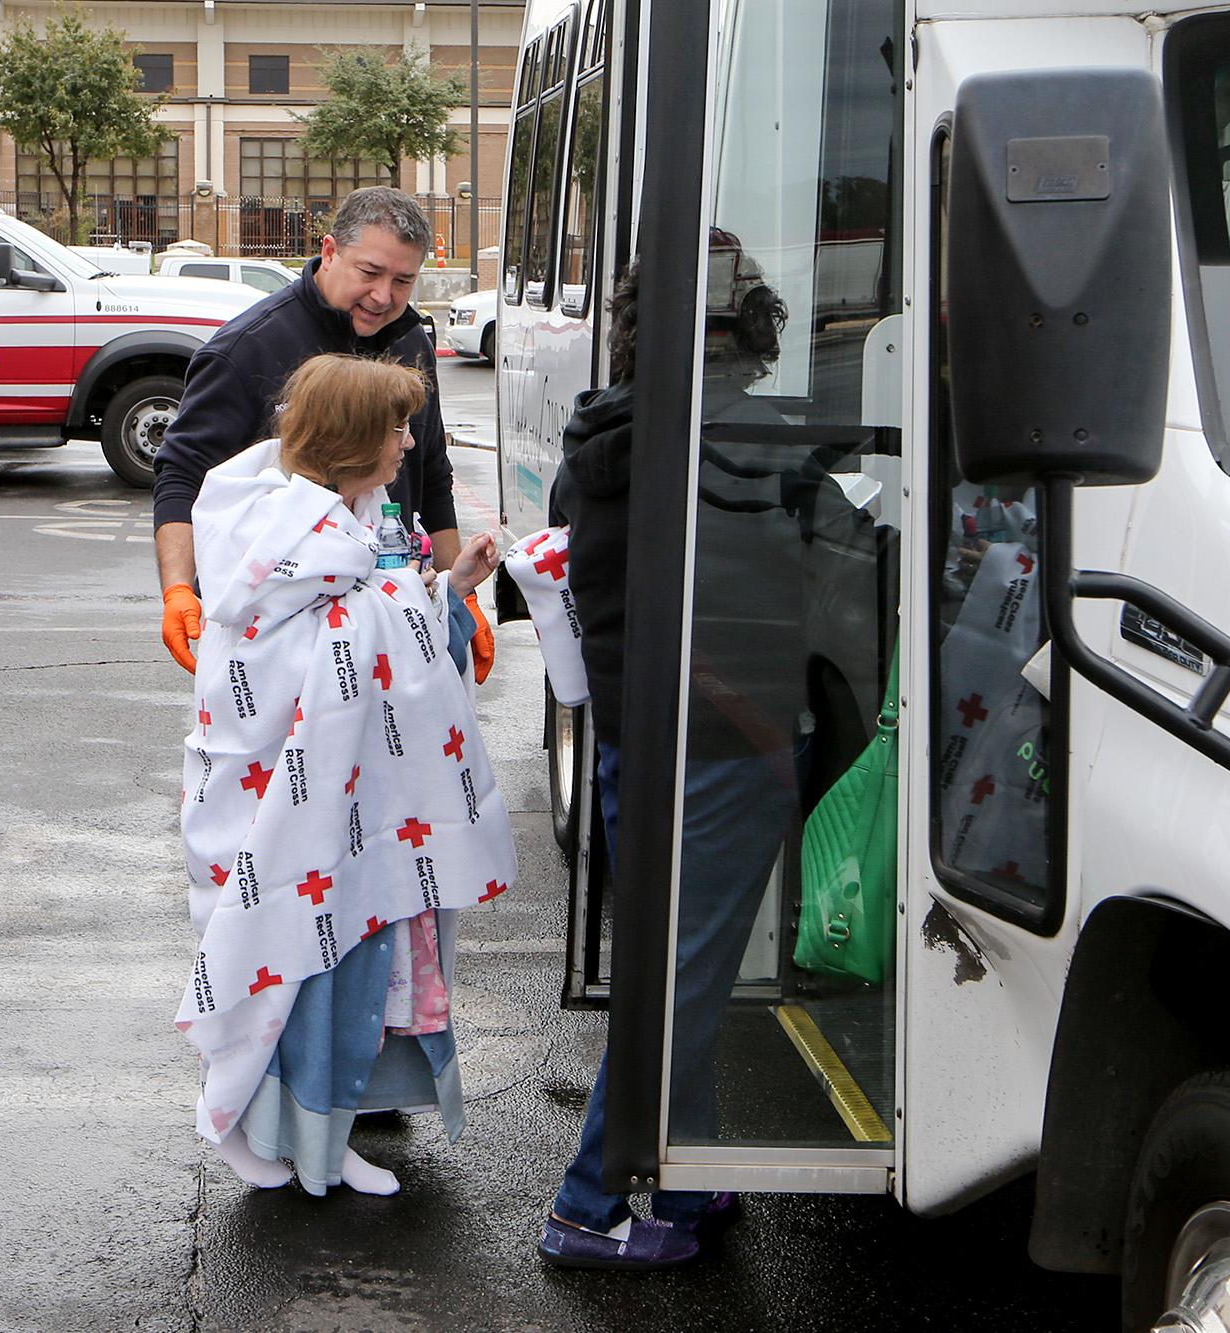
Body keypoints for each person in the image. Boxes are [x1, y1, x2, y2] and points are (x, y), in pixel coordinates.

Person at [175, 354, 514, 1196]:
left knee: (344, 980)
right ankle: (252, 1125)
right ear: (354, 437)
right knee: (291, 977)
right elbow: (311, 653)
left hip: (345, 815)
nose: (409, 441)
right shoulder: (292, 537)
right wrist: (414, 599)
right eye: (396, 427)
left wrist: (447, 586)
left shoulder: (338, 519)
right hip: (290, 819)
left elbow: (367, 619)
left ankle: (320, 1140)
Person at [537, 241, 800, 1269]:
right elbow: (799, 572)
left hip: (637, 734)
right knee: (682, 980)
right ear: (741, 327)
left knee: (674, 965)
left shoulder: (605, 426)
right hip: (727, 738)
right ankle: (591, 1203)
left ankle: (676, 1169)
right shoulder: (735, 436)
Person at [151, 185, 491, 682]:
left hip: (394, 619)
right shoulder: (246, 349)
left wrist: (464, 599)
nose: (383, 296)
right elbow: (182, 475)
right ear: (330, 252)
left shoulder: (412, 341)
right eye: (370, 273)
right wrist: (178, 588)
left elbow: (432, 477)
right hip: (282, 635)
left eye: (403, 281)